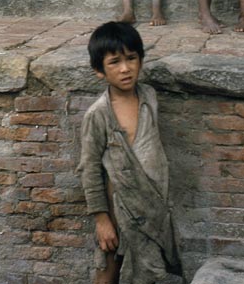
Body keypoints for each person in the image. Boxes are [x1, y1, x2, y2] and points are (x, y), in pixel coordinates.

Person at [76, 21, 183, 284]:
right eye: (114, 62)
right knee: (108, 271)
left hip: (153, 205)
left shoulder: (149, 97)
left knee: (151, 271)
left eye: (131, 59)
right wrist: (102, 220)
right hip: (118, 208)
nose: (125, 69)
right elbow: (89, 169)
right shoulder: (99, 114)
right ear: (99, 71)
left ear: (141, 60)